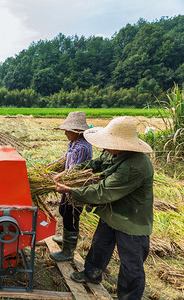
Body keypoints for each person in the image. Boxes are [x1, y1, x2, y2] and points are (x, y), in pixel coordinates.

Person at [55, 116, 154, 300]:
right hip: (111, 212)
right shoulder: (113, 152)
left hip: (131, 220)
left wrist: (72, 190)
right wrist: (72, 173)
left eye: (110, 142)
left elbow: (102, 192)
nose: (106, 146)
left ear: (124, 144)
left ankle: (129, 297)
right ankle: (91, 274)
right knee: (100, 245)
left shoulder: (135, 166)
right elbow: (95, 164)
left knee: (130, 264)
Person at [50, 111, 93, 262]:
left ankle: (68, 251)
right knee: (63, 210)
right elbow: (65, 158)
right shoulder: (73, 143)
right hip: (67, 184)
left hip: (75, 187)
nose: (65, 133)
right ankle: (66, 239)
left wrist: (57, 176)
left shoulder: (82, 147)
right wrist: (51, 166)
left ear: (77, 131)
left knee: (71, 216)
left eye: (68, 131)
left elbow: (74, 170)